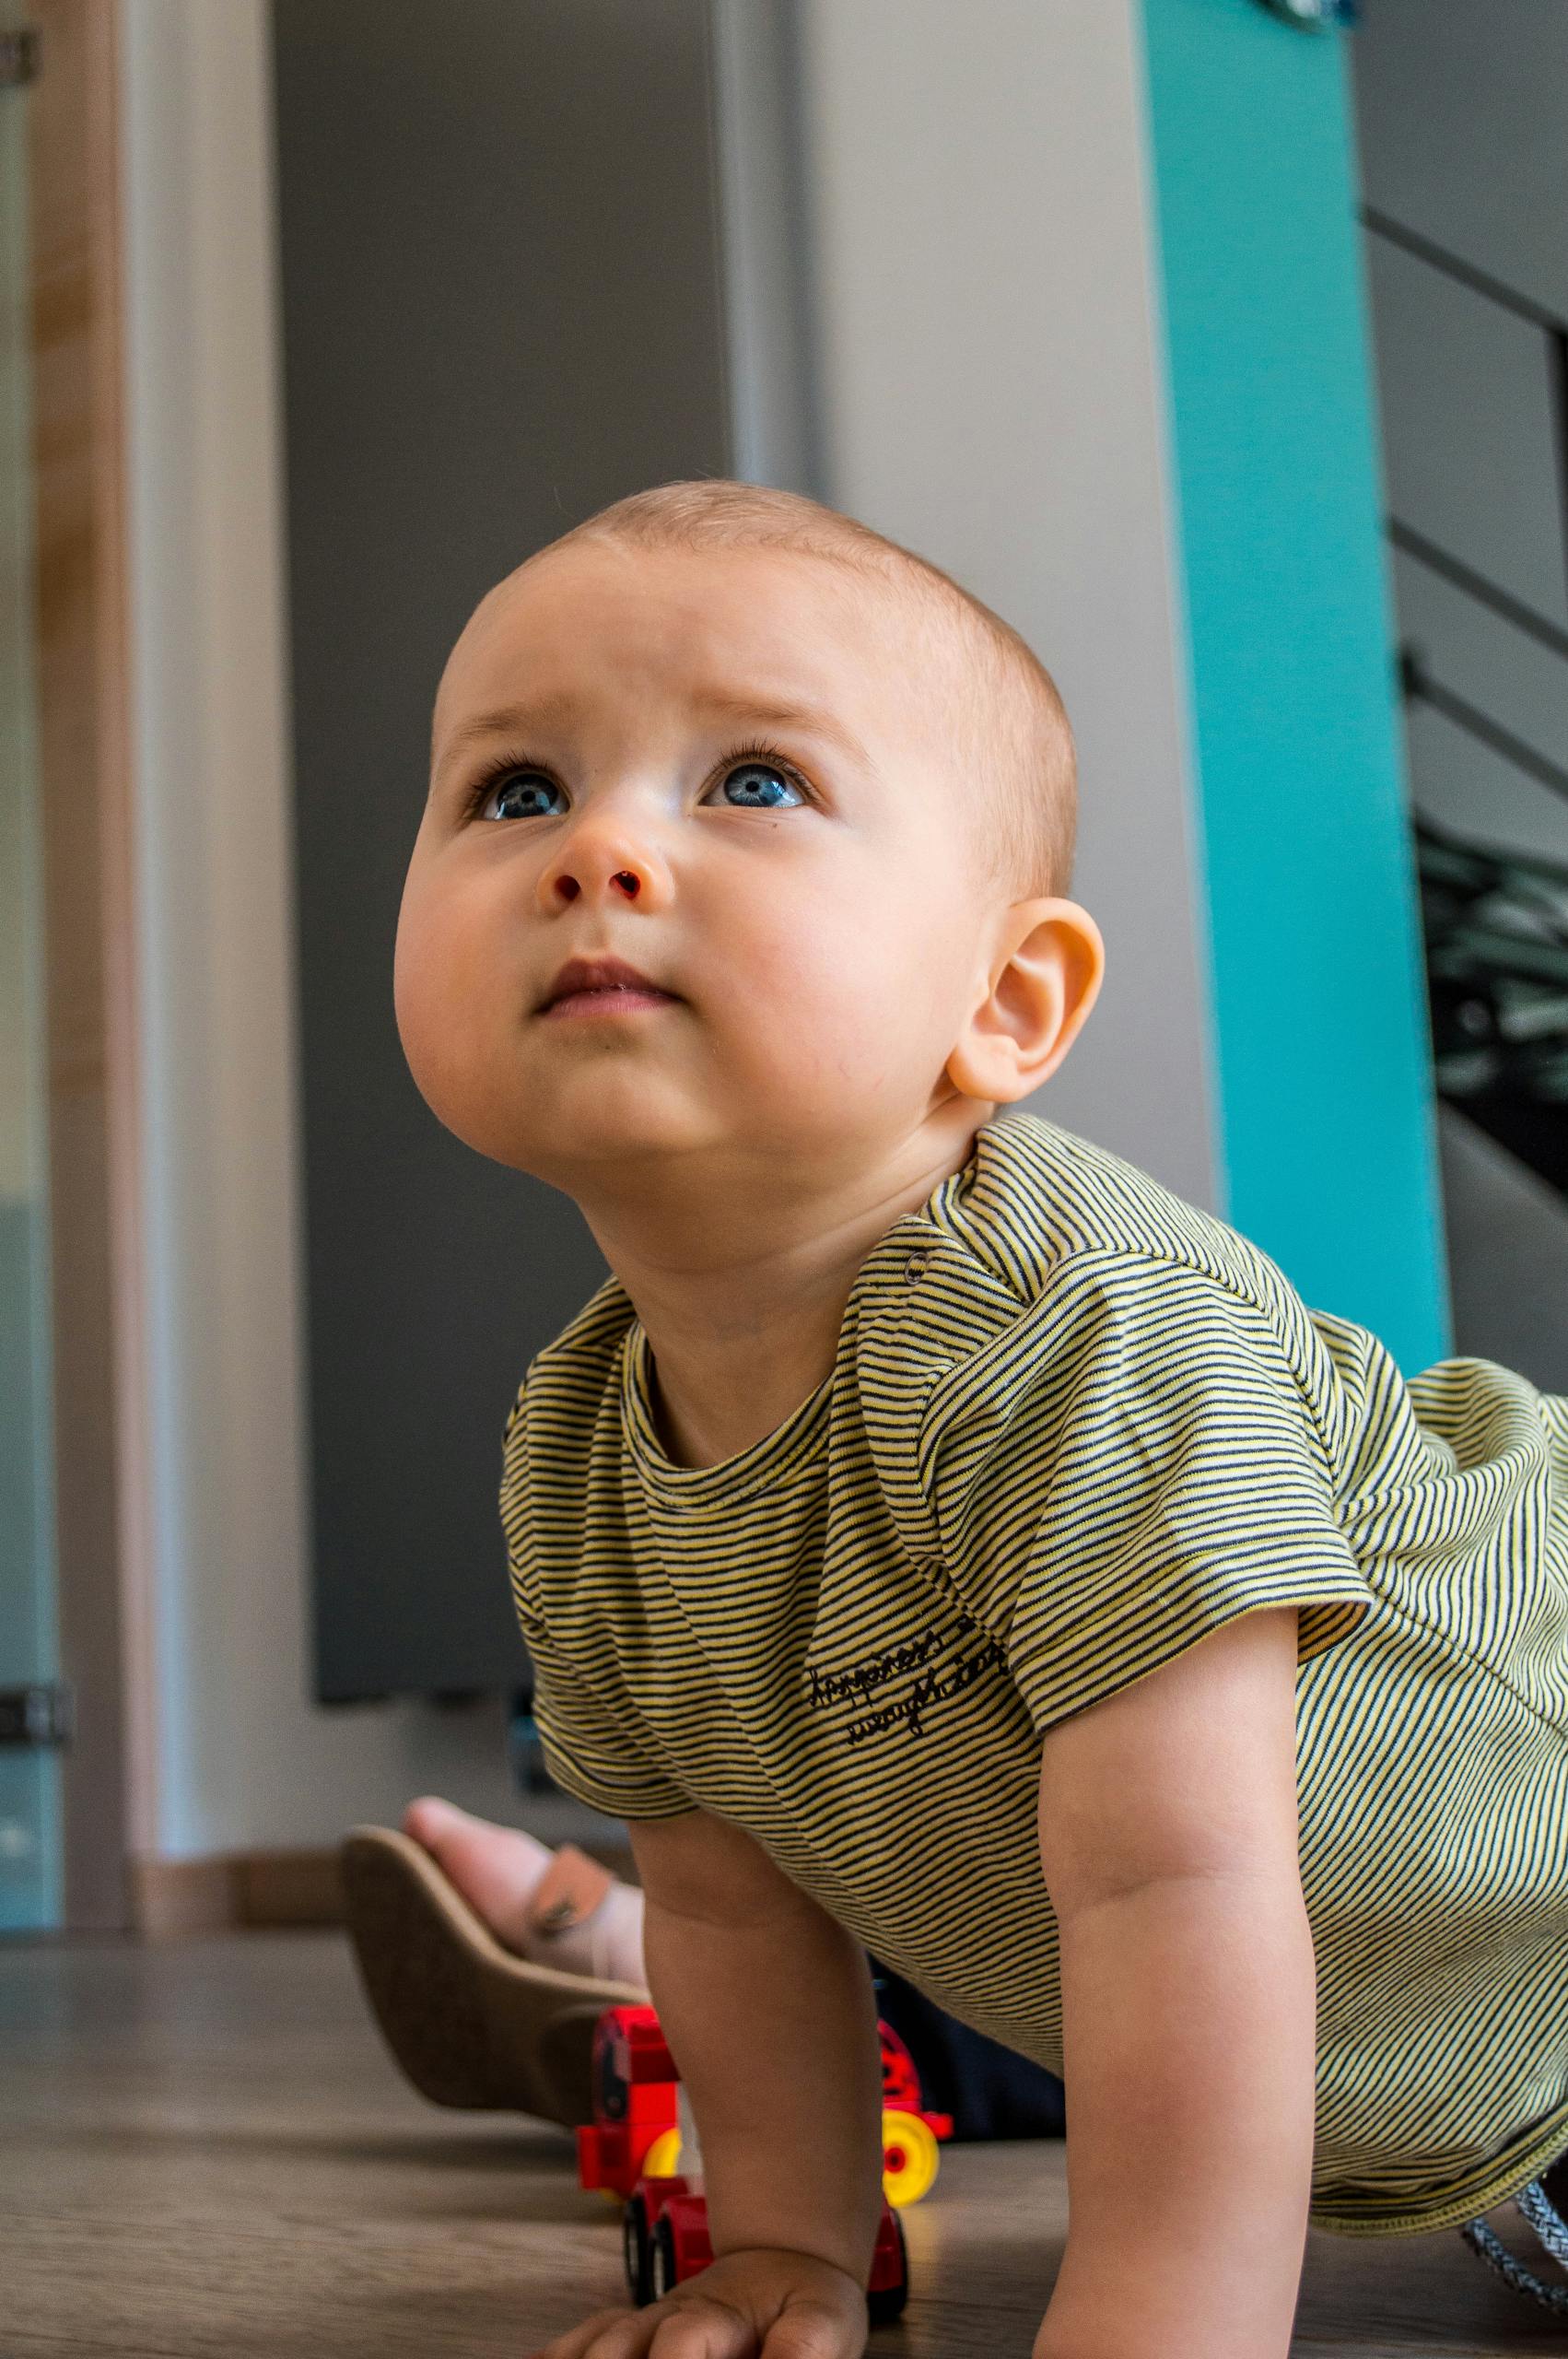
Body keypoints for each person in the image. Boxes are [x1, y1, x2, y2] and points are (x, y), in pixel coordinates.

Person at [372, 478, 1568, 2358]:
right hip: (1431, 2100)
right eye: (513, 788)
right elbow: (734, 1899)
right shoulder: (578, 1454)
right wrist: (780, 2244)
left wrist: (1157, 2310)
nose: (594, 844)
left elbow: (1177, 1875)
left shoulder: (1072, 1333)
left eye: (749, 779)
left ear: (1006, 1002)